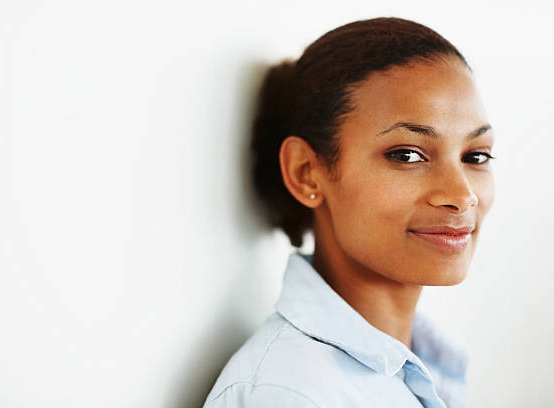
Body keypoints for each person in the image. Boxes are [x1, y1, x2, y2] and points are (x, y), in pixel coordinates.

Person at [203, 17, 496, 407]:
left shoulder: (427, 365)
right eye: (407, 155)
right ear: (306, 173)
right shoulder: (288, 394)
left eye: (475, 156)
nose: (462, 195)